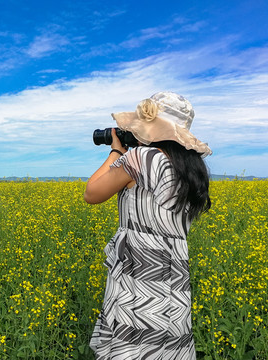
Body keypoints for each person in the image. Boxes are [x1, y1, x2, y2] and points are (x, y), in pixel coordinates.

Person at [84, 91, 211, 360]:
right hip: (173, 276)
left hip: (139, 272)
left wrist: (117, 150)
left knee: (132, 347)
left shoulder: (141, 158)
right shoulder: (191, 169)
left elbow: (92, 193)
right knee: (164, 348)